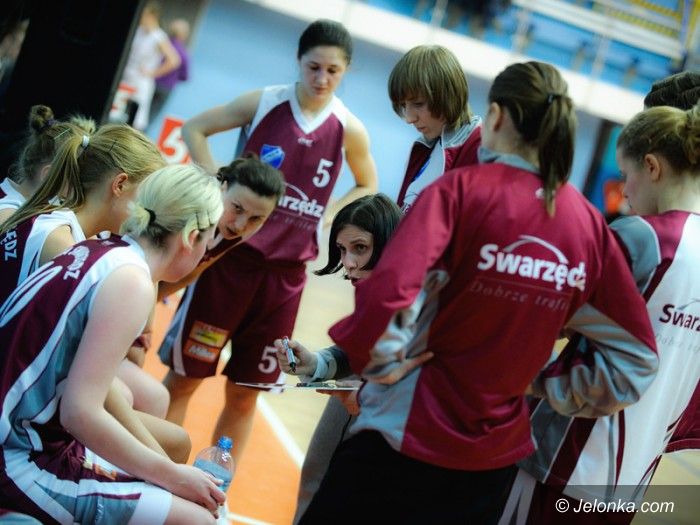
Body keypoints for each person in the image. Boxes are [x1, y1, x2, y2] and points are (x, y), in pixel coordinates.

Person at [287, 61, 658, 523]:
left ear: (496, 116)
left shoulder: (456, 194)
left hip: (403, 439)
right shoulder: (587, 225)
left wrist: (381, 367)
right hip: (490, 469)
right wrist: (538, 382)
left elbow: (382, 306)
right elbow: (636, 360)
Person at [159, 18, 378, 465]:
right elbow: (194, 128)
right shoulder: (264, 103)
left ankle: (214, 487)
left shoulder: (348, 127)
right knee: (184, 381)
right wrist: (216, 184)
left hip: (284, 281)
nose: (322, 78)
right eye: (314, 67)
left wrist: (331, 213)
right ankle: (152, 473)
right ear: (299, 61)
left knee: (245, 394)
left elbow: (367, 183)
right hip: (228, 264)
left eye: (333, 71)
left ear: (346, 71)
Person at [498, 104, 700, 525]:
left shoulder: (641, 237)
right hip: (632, 478)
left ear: (651, 166)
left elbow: (548, 319)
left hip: (564, 459)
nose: (624, 192)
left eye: (626, 175)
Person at [0, 164, 226, 524]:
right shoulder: (131, 282)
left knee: (172, 452)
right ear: (193, 237)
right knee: (201, 519)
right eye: (212, 237)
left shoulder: (104, 248)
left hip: (28, 437)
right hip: (16, 458)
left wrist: (165, 471)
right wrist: (171, 476)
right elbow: (79, 412)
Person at [0, 122, 186, 457]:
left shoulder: (61, 225)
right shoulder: (65, 247)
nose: (151, 217)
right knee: (171, 441)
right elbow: (89, 387)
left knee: (150, 414)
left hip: (21, 380)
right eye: (148, 201)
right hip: (15, 407)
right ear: (120, 185)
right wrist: (156, 458)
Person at [274, 193, 406, 521]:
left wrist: (371, 396)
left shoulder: (418, 297)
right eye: (343, 250)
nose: (348, 262)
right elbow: (360, 348)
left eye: (360, 248)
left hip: (395, 423)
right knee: (315, 477)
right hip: (359, 398)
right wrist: (316, 364)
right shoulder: (370, 289)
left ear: (390, 243)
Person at [388, 44, 481, 212]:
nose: (409, 118)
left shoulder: (480, 149)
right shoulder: (424, 148)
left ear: (448, 95)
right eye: (403, 105)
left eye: (418, 104)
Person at [0, 104, 95, 221]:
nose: (83, 184)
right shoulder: (7, 214)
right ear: (48, 174)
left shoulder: (35, 209)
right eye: (78, 175)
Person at [120, 1, 180, 130]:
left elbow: (174, 60)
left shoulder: (159, 36)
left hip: (140, 81)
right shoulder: (138, 30)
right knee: (118, 112)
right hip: (126, 77)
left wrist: (152, 73)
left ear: (152, 16)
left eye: (144, 15)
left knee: (135, 119)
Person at [150, 18, 191, 123]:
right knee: (151, 115)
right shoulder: (183, 53)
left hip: (151, 82)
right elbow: (185, 76)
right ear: (184, 35)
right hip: (165, 88)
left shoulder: (161, 45)